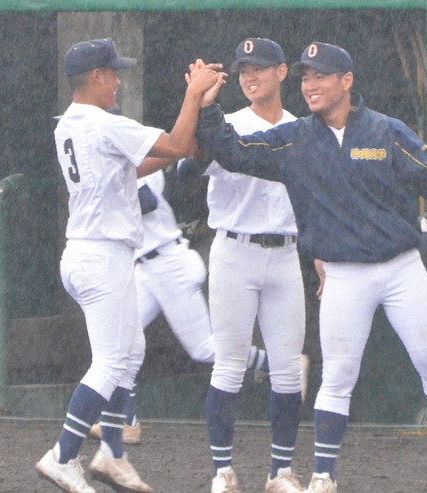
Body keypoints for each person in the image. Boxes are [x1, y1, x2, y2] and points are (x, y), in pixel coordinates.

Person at [192, 41, 427, 493]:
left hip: (401, 267)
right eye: (307, 77)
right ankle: (324, 475)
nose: (310, 85)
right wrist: (207, 108)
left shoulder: (385, 131)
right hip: (345, 274)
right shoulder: (296, 138)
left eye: (321, 76)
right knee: (338, 376)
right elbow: (234, 151)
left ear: (346, 81)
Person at [35, 38, 221, 493]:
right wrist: (193, 95)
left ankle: (113, 455)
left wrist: (191, 136)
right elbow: (175, 144)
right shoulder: (102, 123)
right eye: (113, 73)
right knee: (113, 360)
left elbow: (129, 169)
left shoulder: (70, 124)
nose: (118, 81)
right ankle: (62, 456)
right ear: (95, 77)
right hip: (103, 255)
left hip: (86, 252)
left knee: (130, 351)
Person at [186, 38, 309, 493]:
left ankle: (281, 472)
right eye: (242, 70)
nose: (249, 76)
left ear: (281, 72)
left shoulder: (303, 128)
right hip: (234, 250)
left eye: (259, 67)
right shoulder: (227, 123)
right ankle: (222, 471)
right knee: (229, 366)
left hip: (285, 254)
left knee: (287, 369)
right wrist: (200, 109)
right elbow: (188, 172)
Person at [86, 167, 273, 445]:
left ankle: (278, 363)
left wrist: (105, 191)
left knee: (204, 348)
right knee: (118, 336)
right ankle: (126, 422)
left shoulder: (132, 164)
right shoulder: (111, 172)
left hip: (170, 263)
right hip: (146, 267)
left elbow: (145, 201)